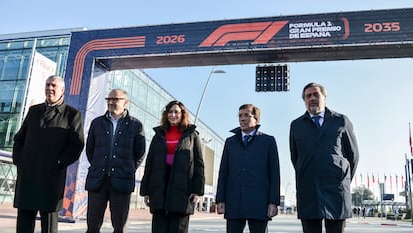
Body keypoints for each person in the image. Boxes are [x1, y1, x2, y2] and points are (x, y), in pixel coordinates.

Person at [12, 75, 85, 233]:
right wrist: (20, 161)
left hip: (51, 178)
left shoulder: (72, 115)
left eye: (54, 86)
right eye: (47, 85)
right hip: (28, 176)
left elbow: (76, 146)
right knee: (24, 223)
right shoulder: (34, 111)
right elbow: (19, 139)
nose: (50, 88)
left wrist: (58, 164)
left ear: (62, 90)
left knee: (49, 225)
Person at [289, 82, 359, 233]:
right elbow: (295, 157)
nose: (312, 98)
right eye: (308, 96)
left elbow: (353, 155)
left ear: (324, 98)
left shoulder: (341, 121)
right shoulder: (296, 125)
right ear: (304, 100)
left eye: (316, 95)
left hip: (336, 190)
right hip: (308, 189)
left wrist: (341, 177)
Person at [85, 89, 146, 233]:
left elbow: (140, 153)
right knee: (92, 226)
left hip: (122, 181)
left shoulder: (135, 125)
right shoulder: (97, 123)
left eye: (116, 99)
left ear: (126, 102)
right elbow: (90, 150)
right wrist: (99, 166)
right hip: (98, 180)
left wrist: (127, 169)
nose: (111, 102)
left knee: (119, 227)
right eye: (109, 99)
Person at [140, 100, 205, 233]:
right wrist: (146, 190)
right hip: (159, 188)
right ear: (166, 114)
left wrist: (197, 191)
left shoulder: (192, 135)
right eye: (170, 112)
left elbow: (199, 164)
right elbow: (150, 163)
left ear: (182, 115)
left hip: (182, 189)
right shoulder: (158, 135)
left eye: (176, 112)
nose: (173, 115)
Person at [216, 104, 280, 233]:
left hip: (259, 202)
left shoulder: (268, 141)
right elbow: (223, 172)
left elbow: (274, 173)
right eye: (240, 115)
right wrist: (220, 199)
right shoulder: (230, 142)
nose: (242, 119)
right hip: (234, 201)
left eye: (246, 115)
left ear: (256, 119)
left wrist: (273, 202)